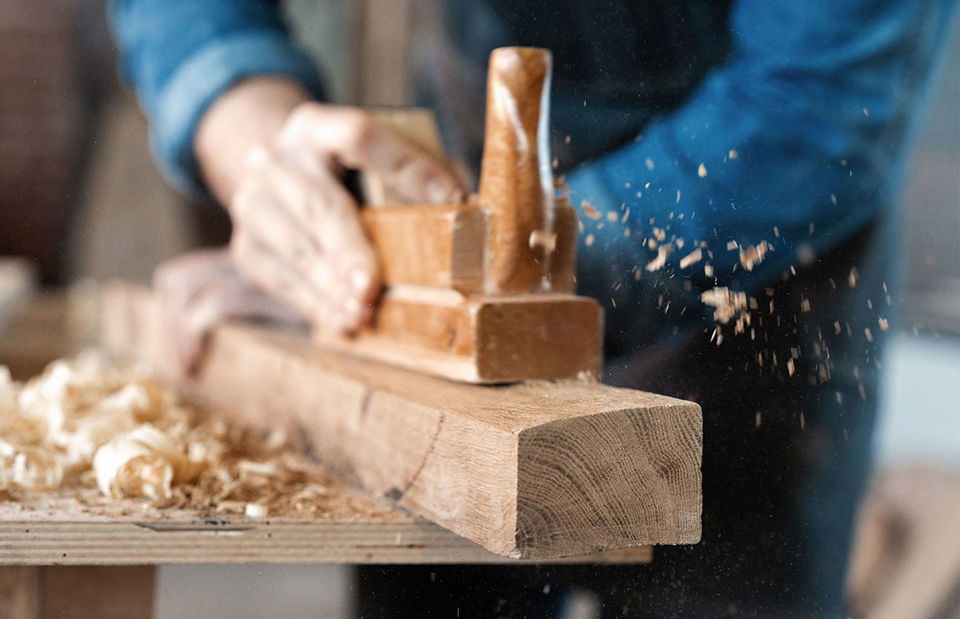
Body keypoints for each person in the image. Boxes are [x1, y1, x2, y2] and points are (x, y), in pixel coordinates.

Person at [109, 0, 958, 615]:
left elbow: (816, 105)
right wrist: (265, 159)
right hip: (464, 193)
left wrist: (477, 272)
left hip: (761, 274)